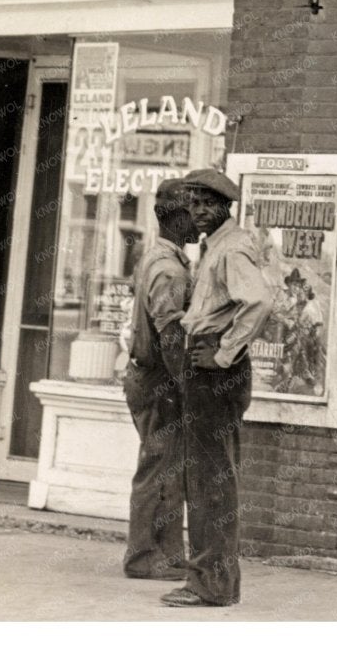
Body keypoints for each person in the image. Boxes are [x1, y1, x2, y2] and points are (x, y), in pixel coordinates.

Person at [161, 168, 274, 609]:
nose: (198, 211)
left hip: (214, 369)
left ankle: (211, 584)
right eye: (192, 202)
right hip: (204, 364)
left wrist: (224, 354)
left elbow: (260, 301)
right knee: (206, 477)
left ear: (226, 206)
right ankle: (212, 580)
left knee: (211, 481)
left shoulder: (231, 247)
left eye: (208, 202)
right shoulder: (215, 246)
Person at [121, 178, 198, 580]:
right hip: (158, 379)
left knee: (168, 465)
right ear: (178, 218)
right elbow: (170, 338)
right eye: (195, 212)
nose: (201, 220)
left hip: (150, 376)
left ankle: (166, 554)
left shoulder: (161, 259)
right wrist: (186, 383)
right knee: (159, 466)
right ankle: (144, 557)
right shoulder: (170, 270)